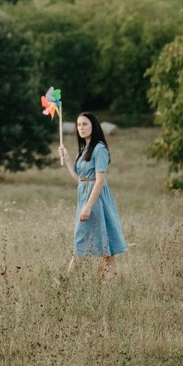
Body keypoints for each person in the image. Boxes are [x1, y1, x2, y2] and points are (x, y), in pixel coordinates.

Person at [59, 111, 126, 276]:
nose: (81, 128)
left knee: (82, 240)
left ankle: (66, 281)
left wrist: (88, 206)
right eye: (79, 125)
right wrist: (67, 159)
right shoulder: (84, 149)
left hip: (96, 200)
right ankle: (113, 282)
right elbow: (80, 178)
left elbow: (99, 180)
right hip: (84, 197)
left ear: (93, 126)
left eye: (85, 124)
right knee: (103, 247)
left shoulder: (99, 149)